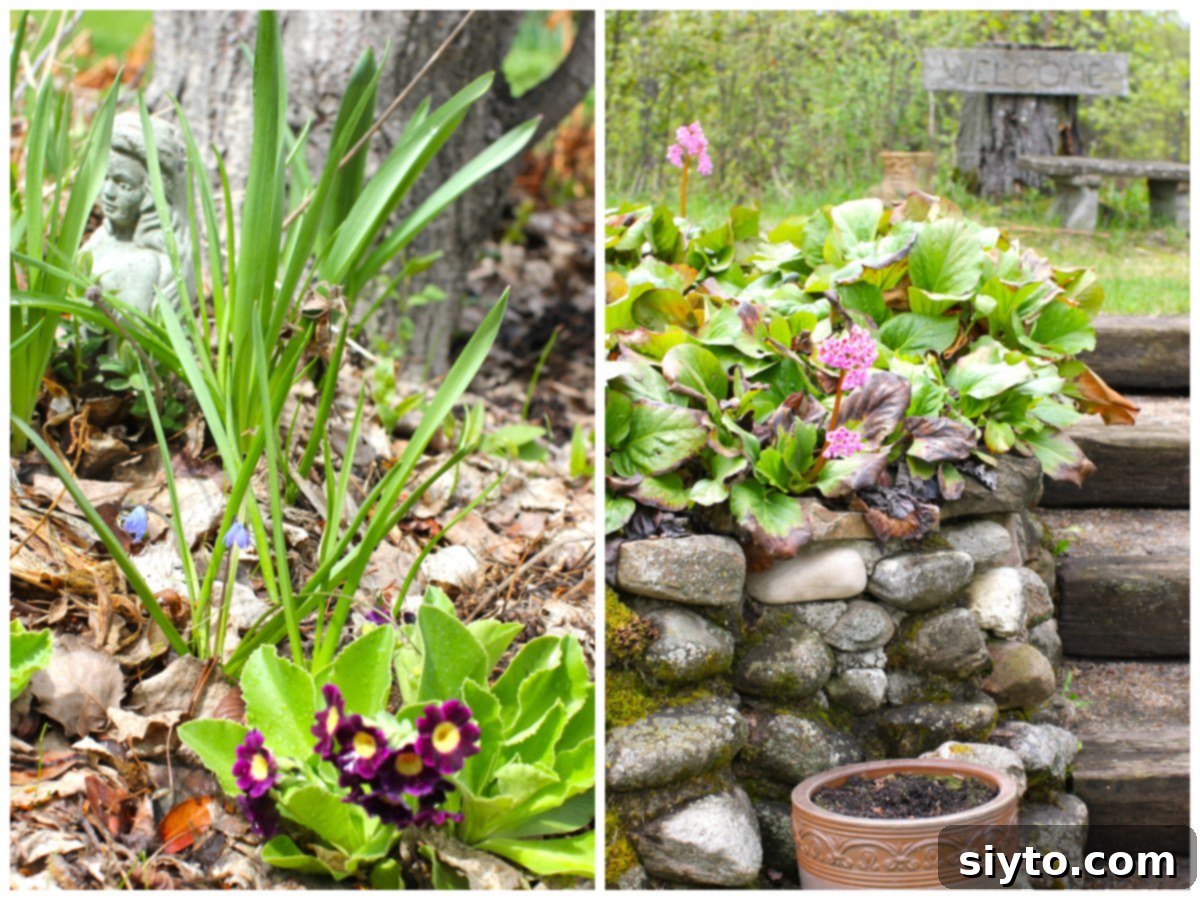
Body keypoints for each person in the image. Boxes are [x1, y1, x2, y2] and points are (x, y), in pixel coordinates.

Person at [81, 111, 192, 316]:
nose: (107, 193)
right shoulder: (101, 238)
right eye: (104, 178)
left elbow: (130, 343)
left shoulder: (143, 265)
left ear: (150, 197)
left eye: (124, 185)